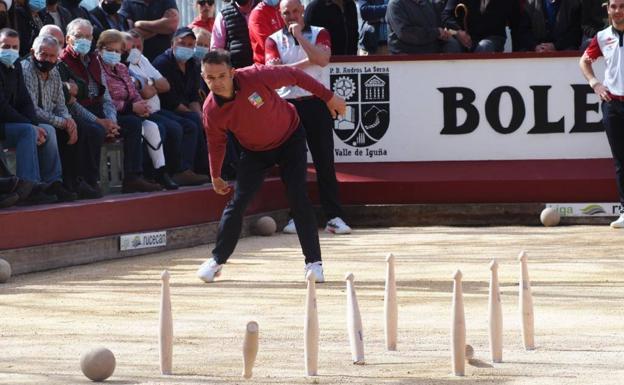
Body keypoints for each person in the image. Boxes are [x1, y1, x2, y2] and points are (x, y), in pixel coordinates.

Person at [196, 49, 346, 283]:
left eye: (222, 76)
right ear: (204, 77)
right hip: (254, 152)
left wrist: (328, 97)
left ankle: (314, 263)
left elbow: (296, 75)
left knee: (298, 197)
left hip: (290, 139)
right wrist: (215, 175)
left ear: (232, 73)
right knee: (237, 203)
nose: (217, 82)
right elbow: (216, 143)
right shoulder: (211, 110)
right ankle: (217, 261)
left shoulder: (255, 76)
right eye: (210, 78)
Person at [266, 0, 351, 235]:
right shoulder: (273, 39)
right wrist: (308, 61)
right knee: (294, 164)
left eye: (295, 11)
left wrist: (301, 41)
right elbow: (275, 75)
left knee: (324, 161)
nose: (292, 16)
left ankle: (334, 216)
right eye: (286, 13)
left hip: (317, 103)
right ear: (280, 14)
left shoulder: (319, 32)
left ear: (303, 10)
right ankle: (297, 216)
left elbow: (323, 59)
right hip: (288, 106)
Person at [61, 19, 159, 193]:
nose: (83, 40)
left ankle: (132, 177)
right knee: (94, 129)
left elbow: (104, 95)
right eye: (78, 36)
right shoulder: (63, 61)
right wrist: (100, 121)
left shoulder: (91, 60)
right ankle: (88, 181)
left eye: (87, 36)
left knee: (133, 124)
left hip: (100, 109)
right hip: (75, 112)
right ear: (68, 39)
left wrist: (111, 121)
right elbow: (71, 102)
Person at [0, 27, 75, 203]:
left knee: (45, 129)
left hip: (10, 124)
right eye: (5, 46)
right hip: (4, 123)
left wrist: (35, 124)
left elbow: (25, 101)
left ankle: (52, 183)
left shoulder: (15, 65)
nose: (10, 51)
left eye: (14, 47)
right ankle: (29, 188)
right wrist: (30, 126)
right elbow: (2, 106)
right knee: (28, 131)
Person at [97, 29, 166, 192]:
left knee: (155, 126)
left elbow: (133, 92)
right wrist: (130, 107)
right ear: (100, 49)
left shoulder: (121, 67)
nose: (114, 54)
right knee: (134, 124)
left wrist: (141, 106)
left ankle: (158, 173)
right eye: (109, 50)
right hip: (107, 114)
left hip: (128, 111)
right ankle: (132, 176)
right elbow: (103, 99)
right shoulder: (97, 67)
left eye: (117, 51)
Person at [40, 23, 104, 198]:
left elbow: (79, 92)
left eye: (59, 44)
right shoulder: (31, 65)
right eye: (52, 41)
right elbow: (34, 107)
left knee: (82, 128)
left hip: (61, 114)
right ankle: (63, 183)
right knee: (67, 130)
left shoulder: (59, 65)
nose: (56, 48)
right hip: (40, 119)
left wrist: (68, 119)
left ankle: (83, 181)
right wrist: (65, 120)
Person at [580, 0, 624, 228]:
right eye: (614, 7)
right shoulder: (602, 36)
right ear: (607, 9)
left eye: (622, 6)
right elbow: (584, 61)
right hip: (613, 105)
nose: (618, 11)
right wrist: (595, 83)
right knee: (621, 161)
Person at [153, 27, 211, 184]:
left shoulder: (193, 64)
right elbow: (169, 100)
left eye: (190, 44)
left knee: (202, 120)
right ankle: (182, 170)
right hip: (165, 108)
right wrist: (193, 115)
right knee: (191, 124)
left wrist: (199, 114)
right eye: (182, 43)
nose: (186, 47)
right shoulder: (163, 63)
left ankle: (203, 168)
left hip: (184, 108)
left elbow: (193, 96)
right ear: (172, 44)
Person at [441, 0, 531, 53]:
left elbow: (517, 26)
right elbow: (446, 15)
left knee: (485, 46)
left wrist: (518, 54)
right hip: (462, 37)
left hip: (493, 38)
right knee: (451, 46)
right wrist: (458, 32)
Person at [386, 0, 462, 54]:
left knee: (453, 45)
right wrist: (436, 33)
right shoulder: (396, 4)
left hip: (431, 57)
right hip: (406, 60)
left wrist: (456, 33)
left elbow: (441, 24)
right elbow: (405, 33)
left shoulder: (428, 3)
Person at [210, 0, 257, 69]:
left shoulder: (263, 8)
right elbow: (216, 49)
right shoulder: (223, 15)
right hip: (236, 71)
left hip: (262, 70)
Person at [248, 0, 284, 64]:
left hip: (288, 61)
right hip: (267, 67)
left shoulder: (285, 6)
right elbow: (267, 44)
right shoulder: (258, 14)